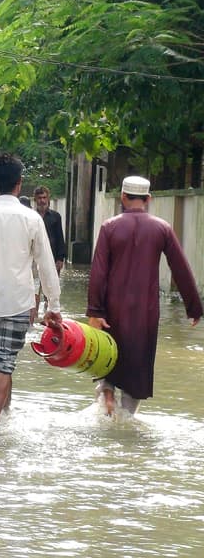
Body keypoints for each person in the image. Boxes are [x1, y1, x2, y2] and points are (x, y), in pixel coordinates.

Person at [0, 152, 62, 427]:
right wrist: (54, 306)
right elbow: (46, 265)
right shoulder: (31, 219)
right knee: (6, 363)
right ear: (20, 183)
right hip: (19, 304)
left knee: (2, 362)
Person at [87, 175, 202, 417]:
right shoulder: (162, 228)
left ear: (123, 197)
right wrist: (194, 307)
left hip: (112, 310)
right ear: (148, 199)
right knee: (137, 370)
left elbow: (98, 272)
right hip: (145, 313)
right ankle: (126, 419)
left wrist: (95, 312)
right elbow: (181, 269)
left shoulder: (109, 227)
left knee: (108, 359)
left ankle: (107, 393)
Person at [33, 186, 65, 320]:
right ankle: (32, 320)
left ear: (48, 199)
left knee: (50, 292)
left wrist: (60, 258)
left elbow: (60, 238)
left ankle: (49, 317)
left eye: (44, 197)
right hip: (34, 260)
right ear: (35, 200)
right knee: (34, 291)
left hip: (51, 258)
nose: (42, 201)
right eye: (39, 198)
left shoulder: (55, 217)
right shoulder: (31, 217)